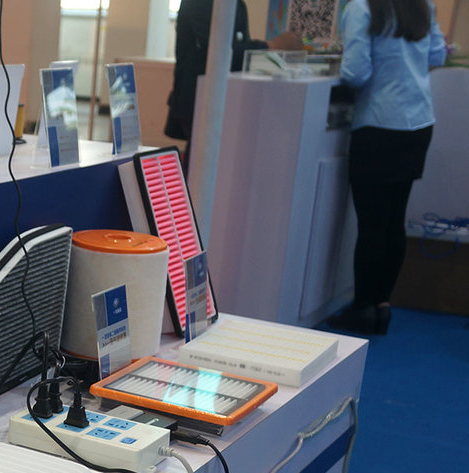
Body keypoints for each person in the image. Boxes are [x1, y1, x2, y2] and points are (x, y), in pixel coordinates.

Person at [329, 0, 447, 335]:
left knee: (372, 224)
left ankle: (363, 308)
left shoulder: (362, 7)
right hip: (418, 123)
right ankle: (382, 304)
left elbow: (356, 72)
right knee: (394, 219)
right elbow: (437, 55)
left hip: (379, 123)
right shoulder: (422, 5)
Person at [165, 0, 303, 164]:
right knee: (201, 166)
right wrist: (271, 46)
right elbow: (220, 51)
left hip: (223, 100)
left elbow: (237, 52)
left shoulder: (235, 4)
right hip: (201, 100)